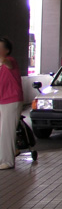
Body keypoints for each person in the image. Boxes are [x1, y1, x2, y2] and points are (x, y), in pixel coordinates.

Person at [0, 37, 24, 170]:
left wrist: (3, 59)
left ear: (7, 50)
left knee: (6, 131)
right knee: (2, 130)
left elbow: (7, 63)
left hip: (12, 99)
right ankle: (12, 150)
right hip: (2, 100)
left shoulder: (10, 61)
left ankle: (7, 161)